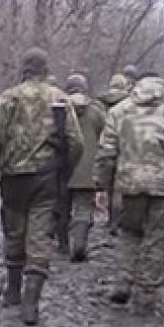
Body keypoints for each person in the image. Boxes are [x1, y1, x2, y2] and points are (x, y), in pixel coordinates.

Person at [0, 48, 83, 326]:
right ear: (45, 70)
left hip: (12, 178)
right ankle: (31, 303)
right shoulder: (60, 99)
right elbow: (76, 141)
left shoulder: (9, 98)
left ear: (24, 70)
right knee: (39, 237)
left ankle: (12, 291)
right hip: (45, 178)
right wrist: (65, 168)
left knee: (14, 232)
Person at [94, 71, 164, 313]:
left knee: (130, 231)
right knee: (156, 236)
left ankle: (124, 278)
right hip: (163, 183)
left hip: (127, 182)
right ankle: (146, 295)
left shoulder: (119, 110)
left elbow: (107, 153)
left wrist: (102, 187)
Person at [63, 73, 107, 262]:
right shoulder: (96, 111)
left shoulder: (58, 109)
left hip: (62, 169)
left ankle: (63, 245)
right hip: (87, 169)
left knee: (61, 208)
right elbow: (107, 135)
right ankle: (79, 245)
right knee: (82, 208)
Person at [98, 73, 131, 234]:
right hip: (126, 147)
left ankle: (110, 219)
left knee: (110, 187)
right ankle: (118, 221)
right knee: (121, 187)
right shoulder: (131, 104)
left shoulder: (103, 102)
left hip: (107, 146)